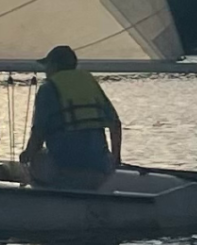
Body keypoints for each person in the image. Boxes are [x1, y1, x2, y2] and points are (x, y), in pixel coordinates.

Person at [20, 44, 122, 186]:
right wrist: (116, 160)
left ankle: (42, 202)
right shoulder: (90, 84)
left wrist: (26, 157)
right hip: (100, 170)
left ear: (54, 66)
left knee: (36, 160)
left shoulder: (48, 89)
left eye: (47, 66)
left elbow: (38, 132)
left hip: (65, 170)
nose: (46, 71)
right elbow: (115, 124)